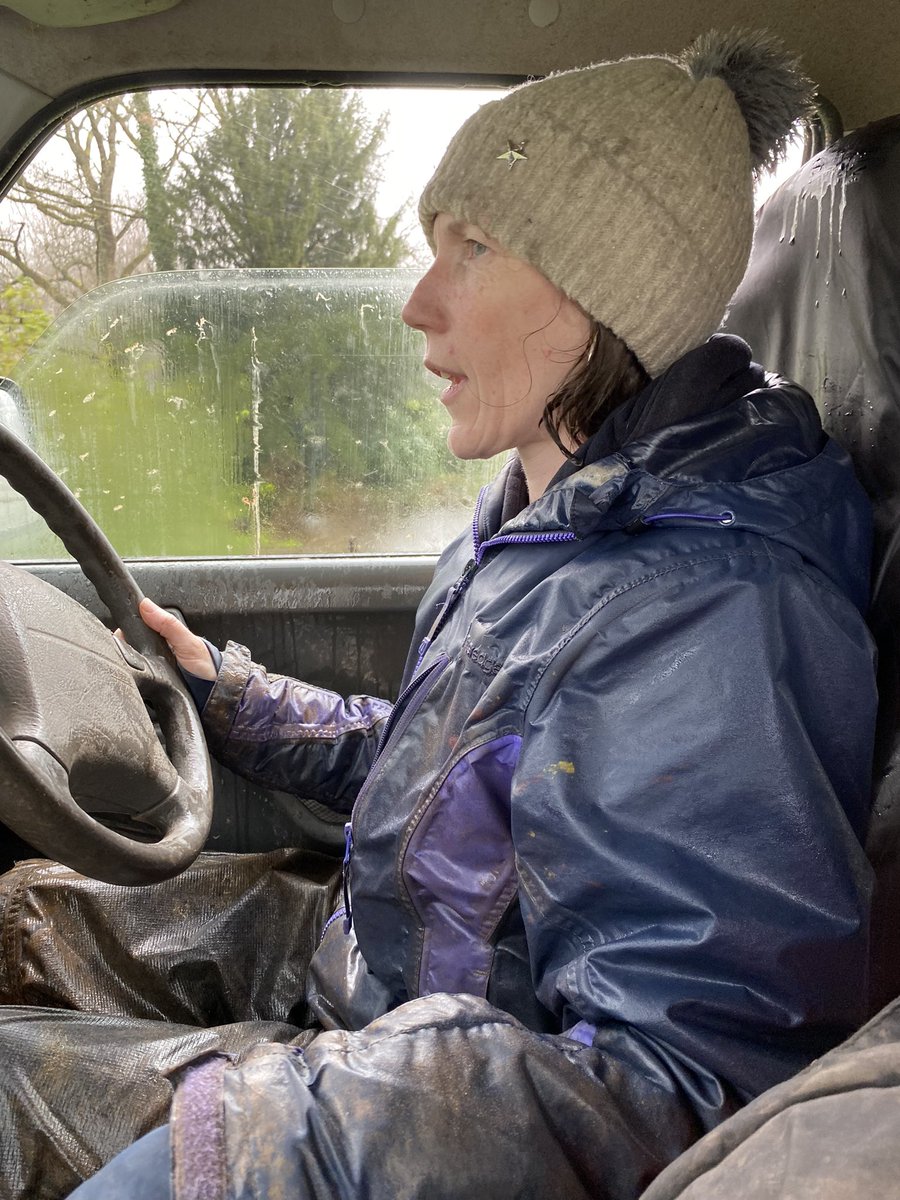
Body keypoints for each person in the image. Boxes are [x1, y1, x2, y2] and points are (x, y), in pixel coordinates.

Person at [55, 28, 875, 1199]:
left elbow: (694, 1087)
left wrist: (274, 1140)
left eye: (473, 249)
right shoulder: (547, 515)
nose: (417, 304)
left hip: (413, 1078)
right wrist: (229, 694)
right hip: (376, 1007)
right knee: (32, 917)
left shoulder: (710, 614)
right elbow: (451, 773)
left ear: (609, 293)